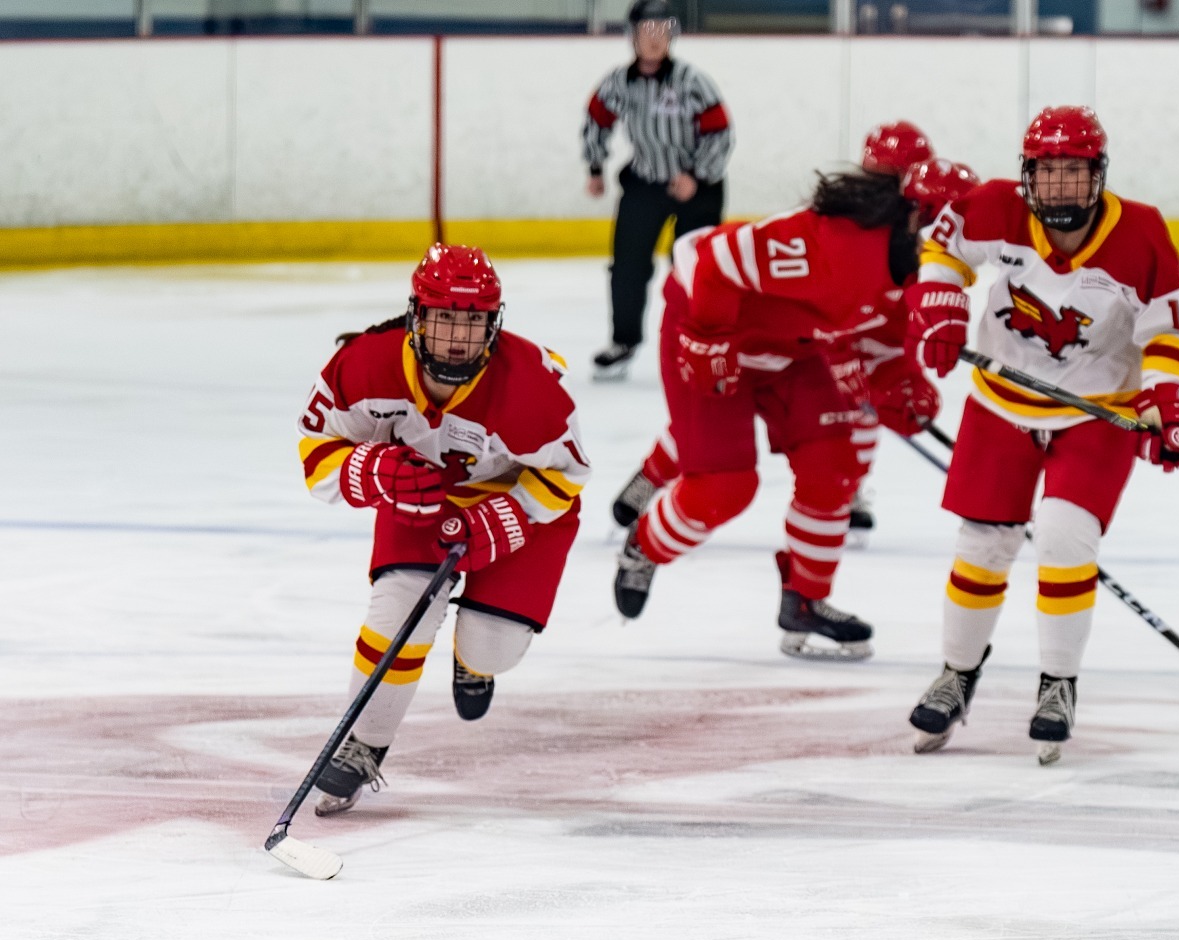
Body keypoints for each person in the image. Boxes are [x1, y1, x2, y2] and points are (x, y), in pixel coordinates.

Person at [902, 105, 1179, 764]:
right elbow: (943, 248)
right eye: (1048, 174)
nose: (1060, 188)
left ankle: (1058, 684)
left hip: (1095, 410)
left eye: (1074, 173)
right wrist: (940, 302)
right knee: (983, 544)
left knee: (1068, 537)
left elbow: (1175, 329)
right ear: (1027, 177)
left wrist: (1166, 401)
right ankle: (957, 674)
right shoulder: (993, 207)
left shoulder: (1140, 234)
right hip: (1001, 400)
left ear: (1098, 177)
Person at [609, 156, 970, 659]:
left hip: (794, 352)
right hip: (716, 337)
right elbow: (712, 261)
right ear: (913, 216)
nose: (953, 249)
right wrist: (707, 338)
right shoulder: (831, 245)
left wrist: (900, 388)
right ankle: (642, 548)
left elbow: (881, 351)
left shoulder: (920, 279)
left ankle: (805, 600)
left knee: (834, 467)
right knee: (725, 487)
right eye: (941, 229)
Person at [295, 245, 589, 814]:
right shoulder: (363, 365)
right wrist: (372, 470)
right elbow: (317, 453)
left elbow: (569, 473)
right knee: (398, 619)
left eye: (473, 322)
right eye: (446, 318)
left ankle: (472, 658)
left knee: (494, 649)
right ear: (417, 318)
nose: (458, 337)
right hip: (421, 502)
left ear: (493, 325)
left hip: (520, 511)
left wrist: (513, 514)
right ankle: (362, 744)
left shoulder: (532, 385)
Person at [582, 0, 733, 382]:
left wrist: (696, 175)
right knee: (628, 265)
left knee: (694, 270)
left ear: (672, 36)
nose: (653, 39)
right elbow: (596, 119)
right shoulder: (620, 81)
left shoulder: (691, 81)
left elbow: (721, 133)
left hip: (698, 187)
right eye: (645, 31)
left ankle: (697, 342)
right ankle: (624, 341)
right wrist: (596, 166)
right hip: (646, 181)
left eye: (661, 31)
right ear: (631, 36)